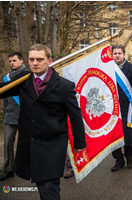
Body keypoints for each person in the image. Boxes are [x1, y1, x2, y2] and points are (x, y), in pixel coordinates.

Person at [0, 44, 86, 199]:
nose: (35, 63)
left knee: (49, 188)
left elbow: (75, 116)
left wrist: (79, 143)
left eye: (40, 59)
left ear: (49, 60)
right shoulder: (23, 82)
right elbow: (3, 90)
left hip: (53, 145)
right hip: (30, 144)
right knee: (41, 185)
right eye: (32, 59)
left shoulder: (64, 86)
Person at [111, 44, 132, 171]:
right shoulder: (107, 68)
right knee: (113, 135)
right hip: (112, 109)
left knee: (127, 134)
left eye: (119, 53)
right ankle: (118, 159)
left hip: (127, 107)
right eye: (115, 53)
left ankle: (129, 156)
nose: (117, 55)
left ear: (124, 54)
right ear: (112, 55)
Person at [0, 52, 26, 181]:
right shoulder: (7, 78)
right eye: (10, 61)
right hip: (10, 116)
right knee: (8, 144)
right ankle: (8, 169)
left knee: (27, 143)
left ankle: (29, 167)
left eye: (14, 60)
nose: (12, 63)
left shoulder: (28, 76)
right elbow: (5, 100)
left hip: (24, 115)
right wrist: (5, 115)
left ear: (21, 61)